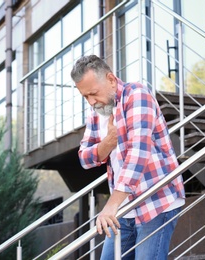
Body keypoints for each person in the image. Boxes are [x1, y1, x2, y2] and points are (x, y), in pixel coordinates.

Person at [70, 54, 185, 260]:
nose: (91, 101)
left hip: (155, 201)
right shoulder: (96, 112)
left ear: (111, 80)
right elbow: (84, 159)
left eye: (93, 93)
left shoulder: (137, 95)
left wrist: (111, 205)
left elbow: (138, 153)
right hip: (124, 207)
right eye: (85, 96)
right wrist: (108, 143)